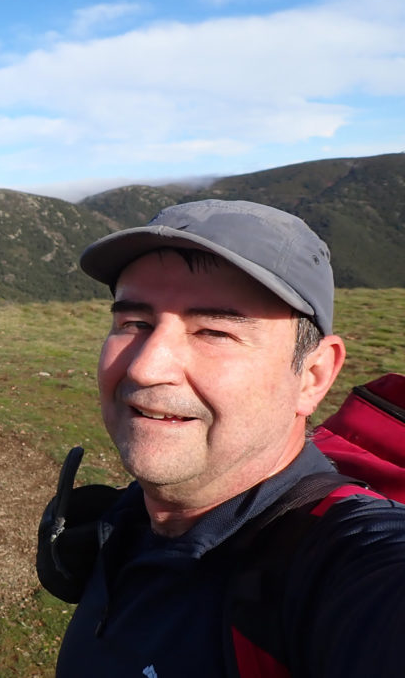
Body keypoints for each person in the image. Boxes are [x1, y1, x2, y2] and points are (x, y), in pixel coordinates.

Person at [37, 199, 405, 676]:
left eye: (213, 331)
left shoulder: (348, 568)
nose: (147, 367)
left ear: (313, 376)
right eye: (134, 324)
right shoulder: (129, 521)